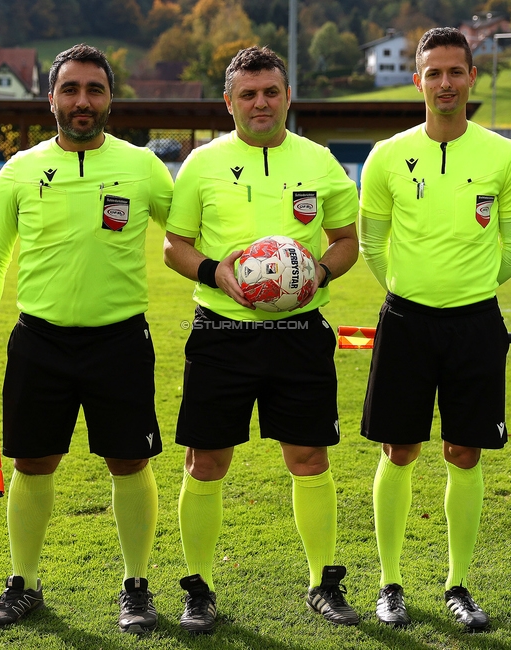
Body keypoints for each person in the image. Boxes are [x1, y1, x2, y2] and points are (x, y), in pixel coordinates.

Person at [0, 43, 173, 635]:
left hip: (121, 341)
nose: (83, 101)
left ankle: (135, 586)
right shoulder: (20, 170)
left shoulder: (142, 167)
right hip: (40, 342)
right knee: (33, 463)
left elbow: (186, 234)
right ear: (51, 97)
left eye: (95, 89)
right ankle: (24, 583)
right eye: (71, 89)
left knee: (129, 461)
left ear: (110, 99)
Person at [162, 46, 360, 633]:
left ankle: (324, 581)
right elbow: (175, 244)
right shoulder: (201, 163)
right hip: (221, 332)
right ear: (229, 102)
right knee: (206, 461)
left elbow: (347, 240)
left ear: (287, 96)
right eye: (247, 94)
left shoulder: (320, 161)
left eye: (271, 91)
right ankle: (199, 588)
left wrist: (319, 272)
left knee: (308, 457)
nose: (260, 103)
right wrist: (214, 272)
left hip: (299, 334)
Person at [358, 27, 511, 631]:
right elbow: (372, 244)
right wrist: (413, 288)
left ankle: (458, 584)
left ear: (472, 78)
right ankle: (390, 584)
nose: (445, 84)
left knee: (465, 451)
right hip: (405, 321)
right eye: (433, 73)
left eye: (455, 72)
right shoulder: (386, 156)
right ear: (417, 81)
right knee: (398, 449)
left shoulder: (505, 156)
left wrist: (467, 286)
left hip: (476, 323)